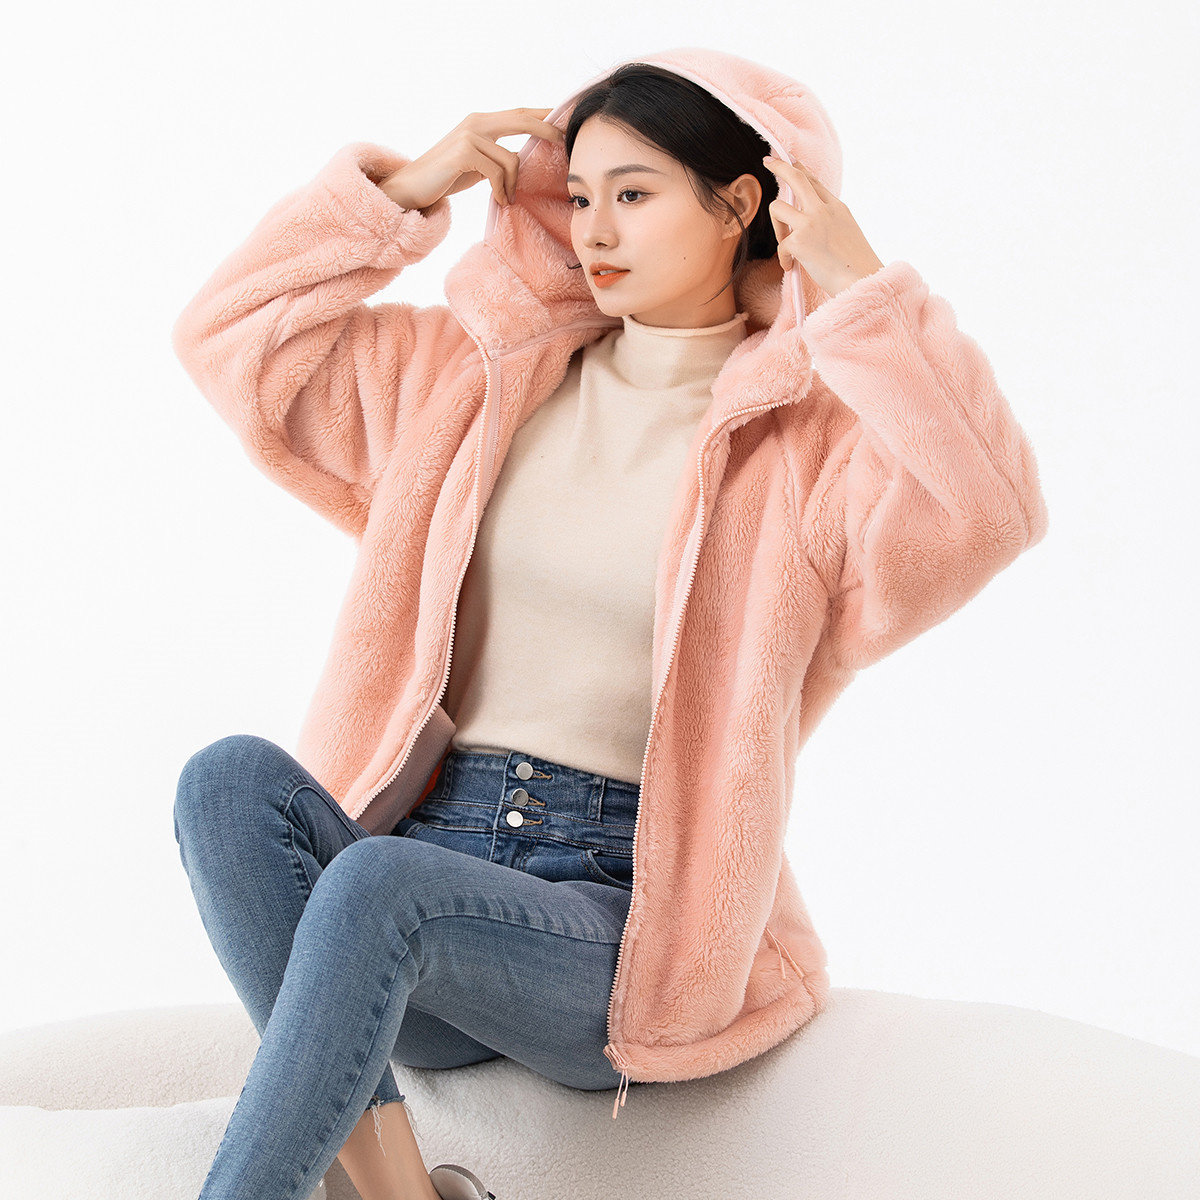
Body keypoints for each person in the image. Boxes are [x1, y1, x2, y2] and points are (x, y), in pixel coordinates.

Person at [171, 47, 1049, 1200]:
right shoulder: (479, 380)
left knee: (378, 886)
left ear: (741, 204)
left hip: (614, 921)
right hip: (407, 882)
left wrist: (863, 291)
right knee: (227, 784)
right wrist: (402, 195)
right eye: (579, 195)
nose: (594, 229)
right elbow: (232, 339)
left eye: (633, 194)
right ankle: (393, 1191)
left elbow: (990, 507)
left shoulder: (810, 453)